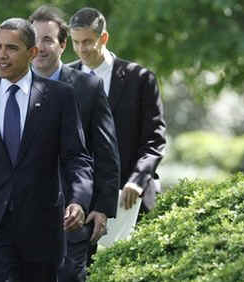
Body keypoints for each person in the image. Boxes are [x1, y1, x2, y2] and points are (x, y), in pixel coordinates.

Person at [0, 18, 94, 282]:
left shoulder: (60, 97)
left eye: (11, 48)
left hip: (42, 230)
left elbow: (77, 157)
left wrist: (78, 200)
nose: (2, 55)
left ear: (32, 53)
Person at [68, 7, 167, 265]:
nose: (81, 49)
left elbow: (155, 140)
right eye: (76, 43)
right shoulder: (63, 80)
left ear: (104, 38)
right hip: (80, 203)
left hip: (131, 198)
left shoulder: (140, 79)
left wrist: (137, 180)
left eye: (88, 41)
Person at [29, 6, 120, 282]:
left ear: (62, 44)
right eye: (33, 39)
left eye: (47, 39)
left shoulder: (88, 89)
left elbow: (106, 153)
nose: (40, 47)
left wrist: (102, 208)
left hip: (74, 216)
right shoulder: (11, 90)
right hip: (23, 217)